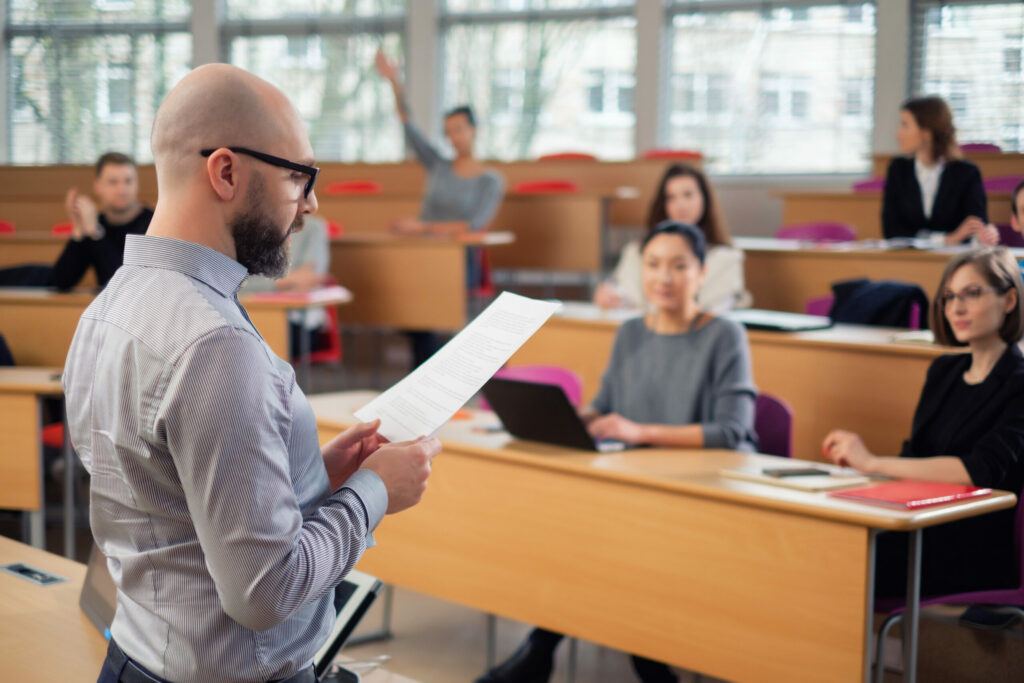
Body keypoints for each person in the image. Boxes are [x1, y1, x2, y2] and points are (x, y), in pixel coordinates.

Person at [63, 64, 441, 683]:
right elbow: (265, 591)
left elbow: (175, 498)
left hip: (136, 655)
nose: (312, 202)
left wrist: (313, 472)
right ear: (227, 171)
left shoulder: (108, 306)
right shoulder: (215, 345)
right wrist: (374, 492)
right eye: (300, 176)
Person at [476, 222, 758, 683]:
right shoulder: (630, 332)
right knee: (581, 534)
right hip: (638, 488)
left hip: (701, 494)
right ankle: (559, 654)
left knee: (617, 548)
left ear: (702, 272)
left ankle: (542, 654)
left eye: (678, 265)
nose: (663, 277)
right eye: (653, 265)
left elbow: (732, 431)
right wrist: (570, 417)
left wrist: (638, 429)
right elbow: (605, 407)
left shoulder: (725, 335)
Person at [823, 246, 1024, 598]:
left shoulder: (1020, 381)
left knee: (842, 559)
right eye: (949, 297)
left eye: (972, 293)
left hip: (969, 541)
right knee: (827, 537)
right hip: (918, 522)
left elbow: (979, 471)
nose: (956, 308)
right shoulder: (943, 371)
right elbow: (915, 455)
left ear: (1009, 300)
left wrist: (871, 461)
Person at [375, 48, 505, 365]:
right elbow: (409, 125)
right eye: (449, 132)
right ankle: (424, 372)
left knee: (426, 311)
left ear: (474, 130)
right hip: (421, 255)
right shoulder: (438, 166)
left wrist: (420, 227)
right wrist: (395, 82)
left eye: (460, 129)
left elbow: (473, 226)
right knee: (406, 308)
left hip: (460, 261)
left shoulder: (490, 180)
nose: (454, 137)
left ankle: (430, 372)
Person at [593, 163, 749, 314]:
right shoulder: (636, 252)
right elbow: (626, 297)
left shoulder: (725, 258)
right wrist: (613, 298)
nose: (680, 204)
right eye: (671, 197)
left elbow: (715, 310)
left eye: (688, 195)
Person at [881, 96, 998, 245]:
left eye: (905, 125)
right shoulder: (897, 169)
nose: (897, 133)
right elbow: (891, 230)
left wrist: (985, 234)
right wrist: (946, 239)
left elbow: (975, 227)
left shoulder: (967, 173)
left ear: (927, 132)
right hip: (908, 262)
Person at [50, 152, 154, 290]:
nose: (122, 190)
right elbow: (59, 282)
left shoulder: (153, 224)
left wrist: (96, 233)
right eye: (113, 182)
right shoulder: (95, 224)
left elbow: (126, 284)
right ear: (97, 186)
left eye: (128, 181)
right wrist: (79, 230)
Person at [243, 214, 333, 355]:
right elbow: (240, 283)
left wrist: (261, 283)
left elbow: (308, 280)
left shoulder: (313, 228)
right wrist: (286, 281)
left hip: (298, 322)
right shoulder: (253, 228)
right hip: (252, 316)